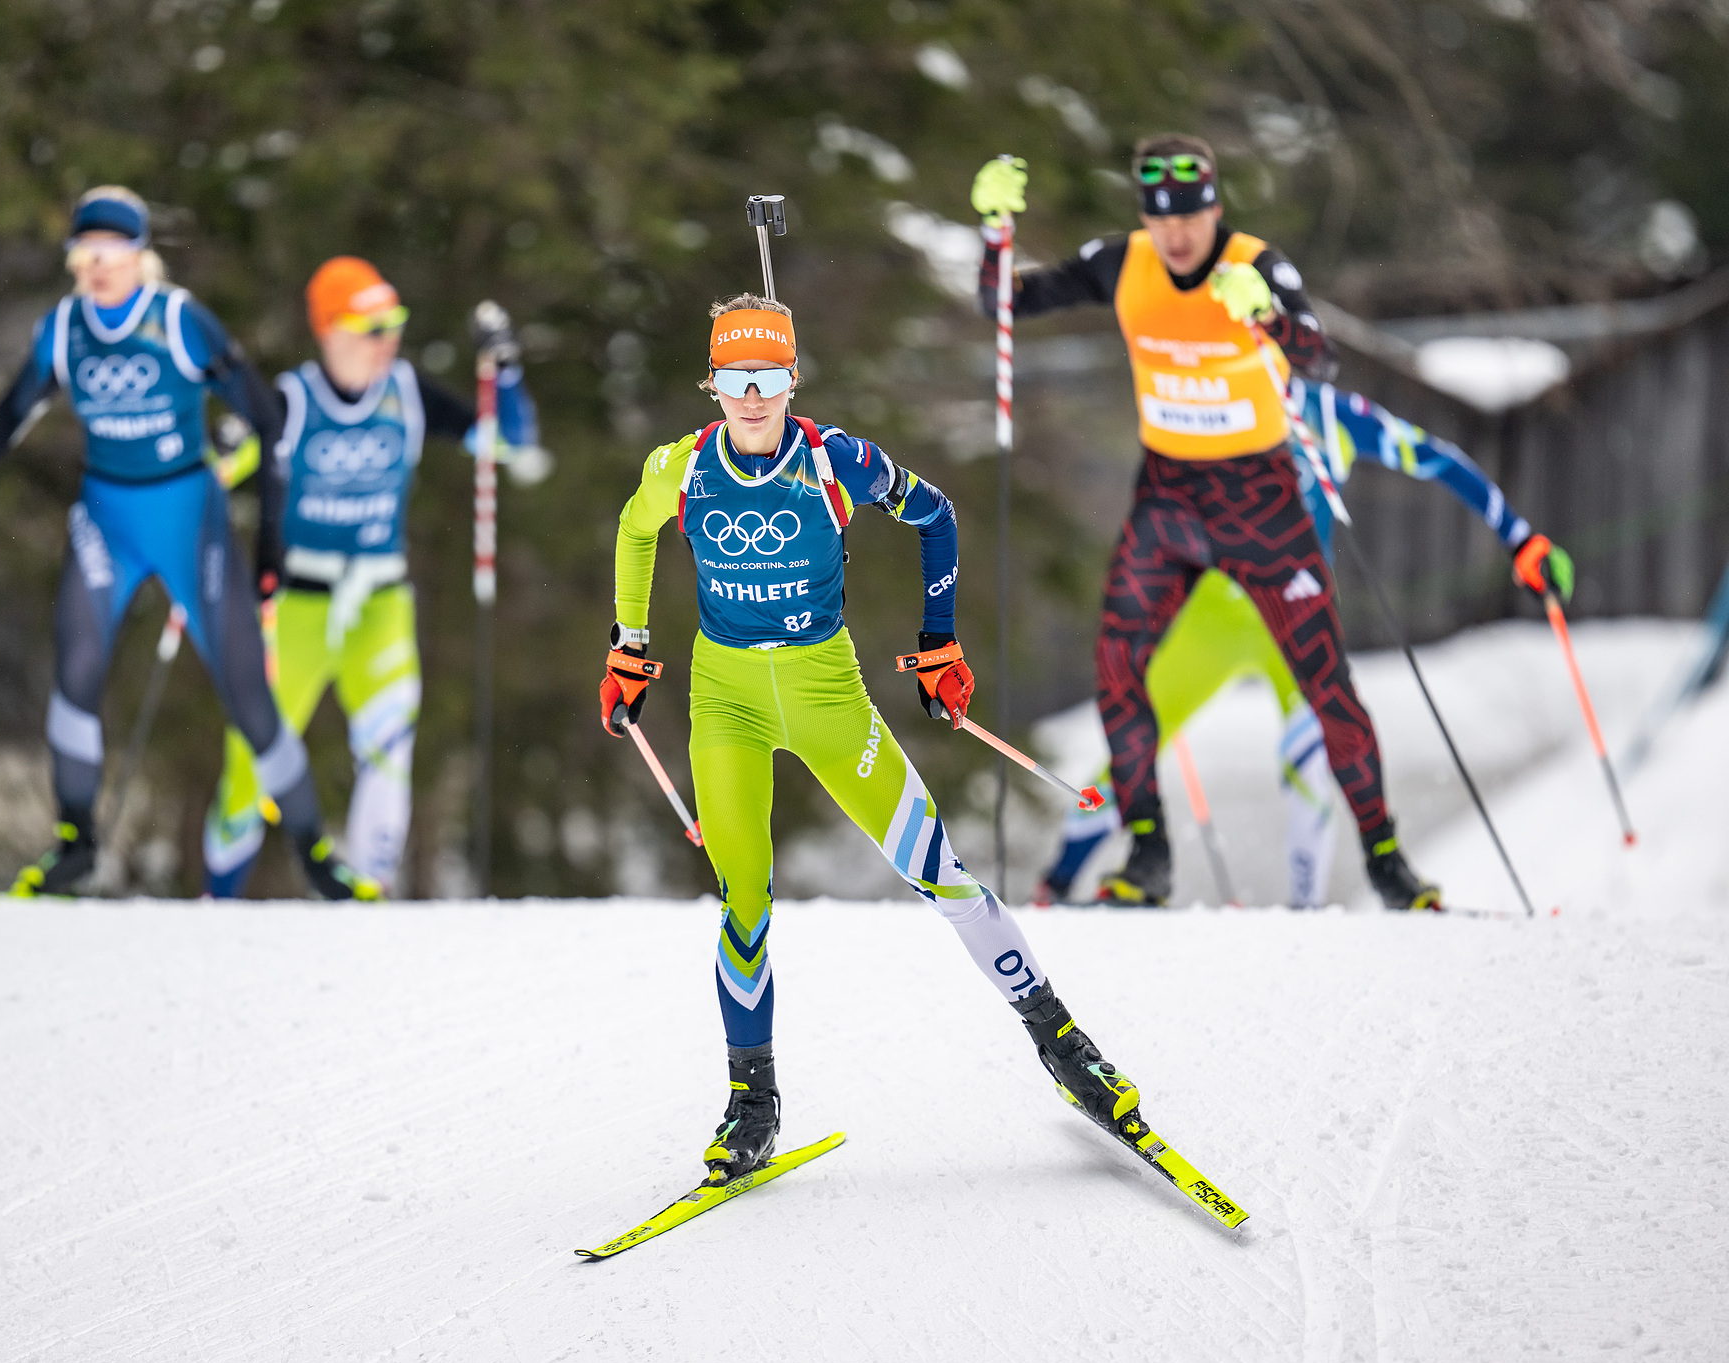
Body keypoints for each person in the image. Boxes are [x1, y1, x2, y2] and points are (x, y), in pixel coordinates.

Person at [602, 292, 1142, 1186]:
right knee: (744, 903)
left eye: (768, 376)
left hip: (827, 696)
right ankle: (752, 1103)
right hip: (724, 702)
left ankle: (1063, 1044)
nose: (752, 396)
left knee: (940, 872)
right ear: (712, 384)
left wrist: (939, 642)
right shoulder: (681, 468)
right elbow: (632, 530)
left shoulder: (835, 460)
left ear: (790, 378)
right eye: (735, 378)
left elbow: (937, 517)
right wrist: (630, 646)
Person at [969, 136, 1454, 909]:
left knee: (1328, 686)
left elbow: (1320, 357)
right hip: (1168, 500)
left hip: (1260, 503)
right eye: (1163, 221)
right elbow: (1005, 305)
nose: (1179, 236)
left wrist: (1266, 315)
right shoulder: (1121, 262)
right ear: (1145, 219)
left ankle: (1387, 861)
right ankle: (1148, 854)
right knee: (1117, 668)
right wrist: (994, 236)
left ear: (1215, 209)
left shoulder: (1255, 263)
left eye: (1192, 216)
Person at [0, 187, 371, 899]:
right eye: (84, 255)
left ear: (139, 258)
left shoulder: (179, 322)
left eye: (112, 255)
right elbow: (2, 424)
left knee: (248, 694)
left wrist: (270, 546)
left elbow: (270, 419)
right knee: (77, 670)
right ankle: (75, 843)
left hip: (191, 520)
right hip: (106, 520)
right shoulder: (63, 331)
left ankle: (314, 854)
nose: (97, 268)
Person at [1037, 380, 1576, 907]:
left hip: (1292, 613)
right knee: (1134, 740)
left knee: (1311, 758)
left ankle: (1308, 911)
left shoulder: (1331, 413)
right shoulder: (1211, 394)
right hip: (1213, 619)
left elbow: (1438, 458)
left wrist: (1519, 537)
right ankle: (1057, 887)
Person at [200, 258, 539, 897]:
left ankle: (366, 899)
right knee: (250, 762)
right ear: (329, 331)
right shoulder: (289, 401)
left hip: (379, 603)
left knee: (389, 749)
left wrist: (508, 373)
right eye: (370, 327)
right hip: (296, 606)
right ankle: (213, 906)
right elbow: (214, 475)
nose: (387, 341)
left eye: (393, 326)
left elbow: (511, 444)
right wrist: (220, 447)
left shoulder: (407, 394)